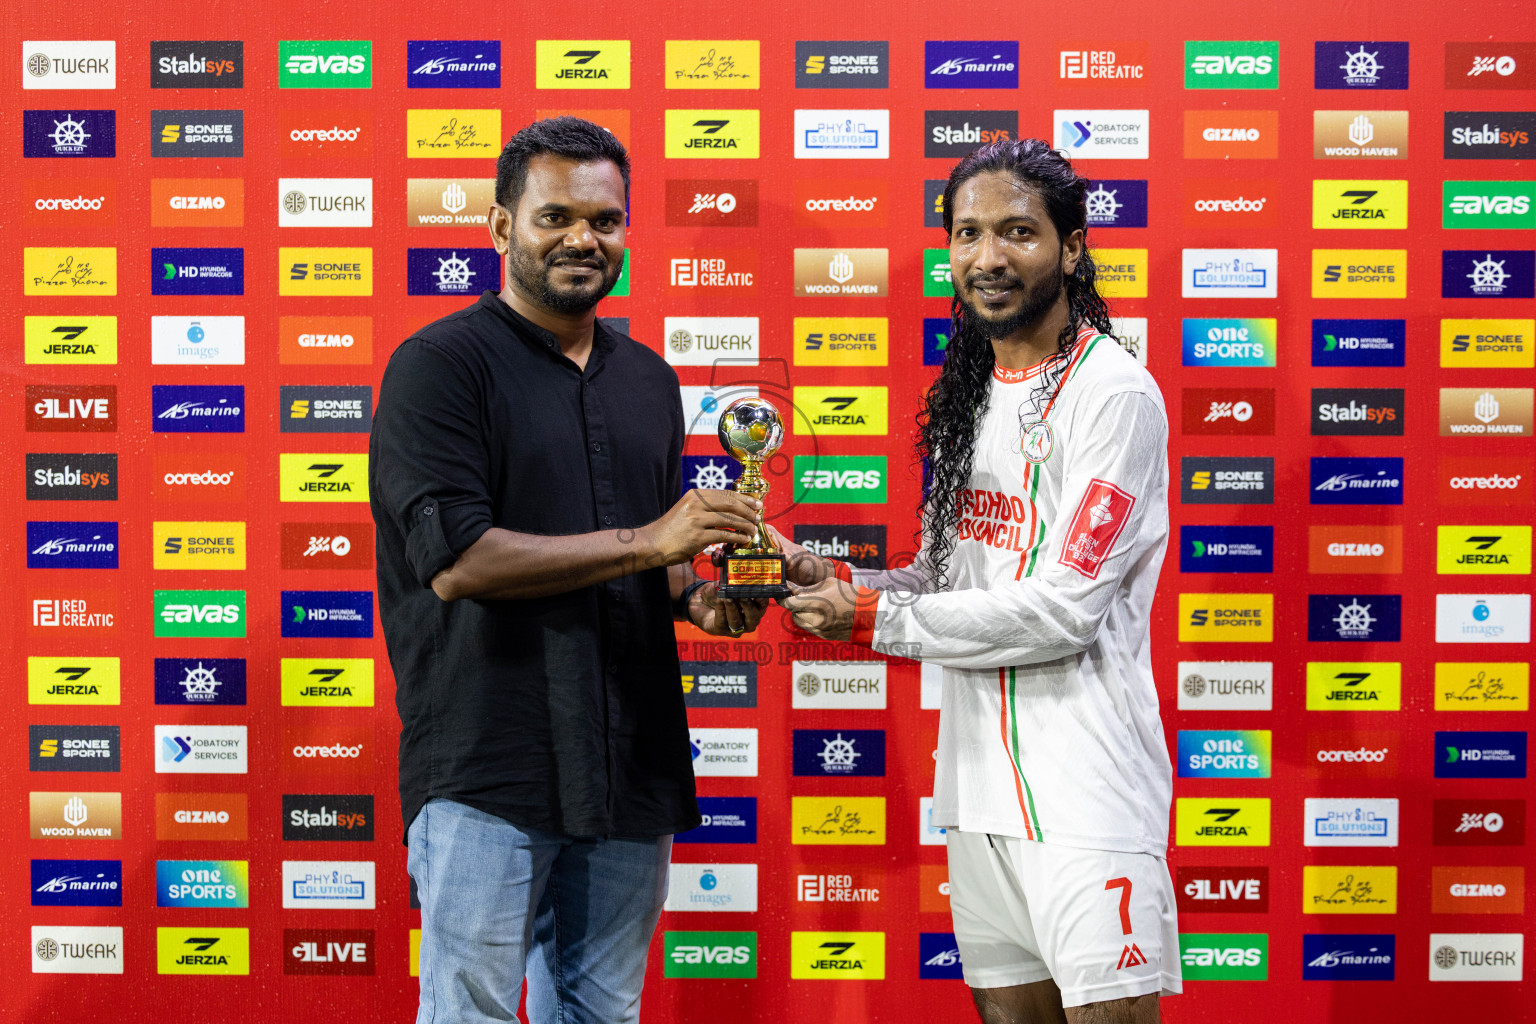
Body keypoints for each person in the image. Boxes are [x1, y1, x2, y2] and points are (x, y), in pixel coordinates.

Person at [369, 116, 767, 1024]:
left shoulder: (652, 381)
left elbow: (642, 560)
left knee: (602, 1012)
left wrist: (703, 598)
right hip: (488, 761)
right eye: (555, 216)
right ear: (501, 228)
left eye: (605, 219)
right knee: (469, 1011)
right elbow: (460, 561)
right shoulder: (437, 368)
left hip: (629, 754)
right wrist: (655, 545)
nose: (584, 238)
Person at [779, 138, 1179, 1024]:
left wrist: (872, 616)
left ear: (1072, 247)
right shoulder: (968, 390)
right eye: (966, 234)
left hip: (1086, 797)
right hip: (976, 790)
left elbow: (1067, 610)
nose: (987, 258)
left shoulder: (1115, 394)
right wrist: (836, 578)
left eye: (1017, 233)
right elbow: (940, 577)